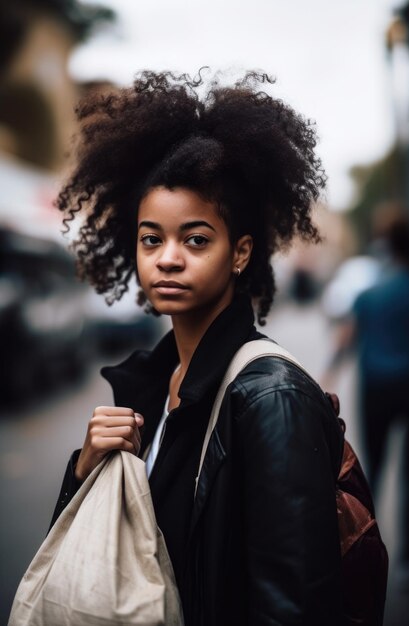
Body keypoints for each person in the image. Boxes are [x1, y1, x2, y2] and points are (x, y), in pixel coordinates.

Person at [50, 70, 344, 625]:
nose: (167, 258)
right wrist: (84, 471)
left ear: (240, 253)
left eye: (196, 239)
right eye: (151, 239)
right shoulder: (156, 385)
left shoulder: (271, 399)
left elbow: (295, 605)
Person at [323, 206, 409, 586]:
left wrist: (326, 375)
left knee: (372, 471)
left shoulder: (369, 293)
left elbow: (346, 341)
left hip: (375, 388)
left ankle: (365, 547)